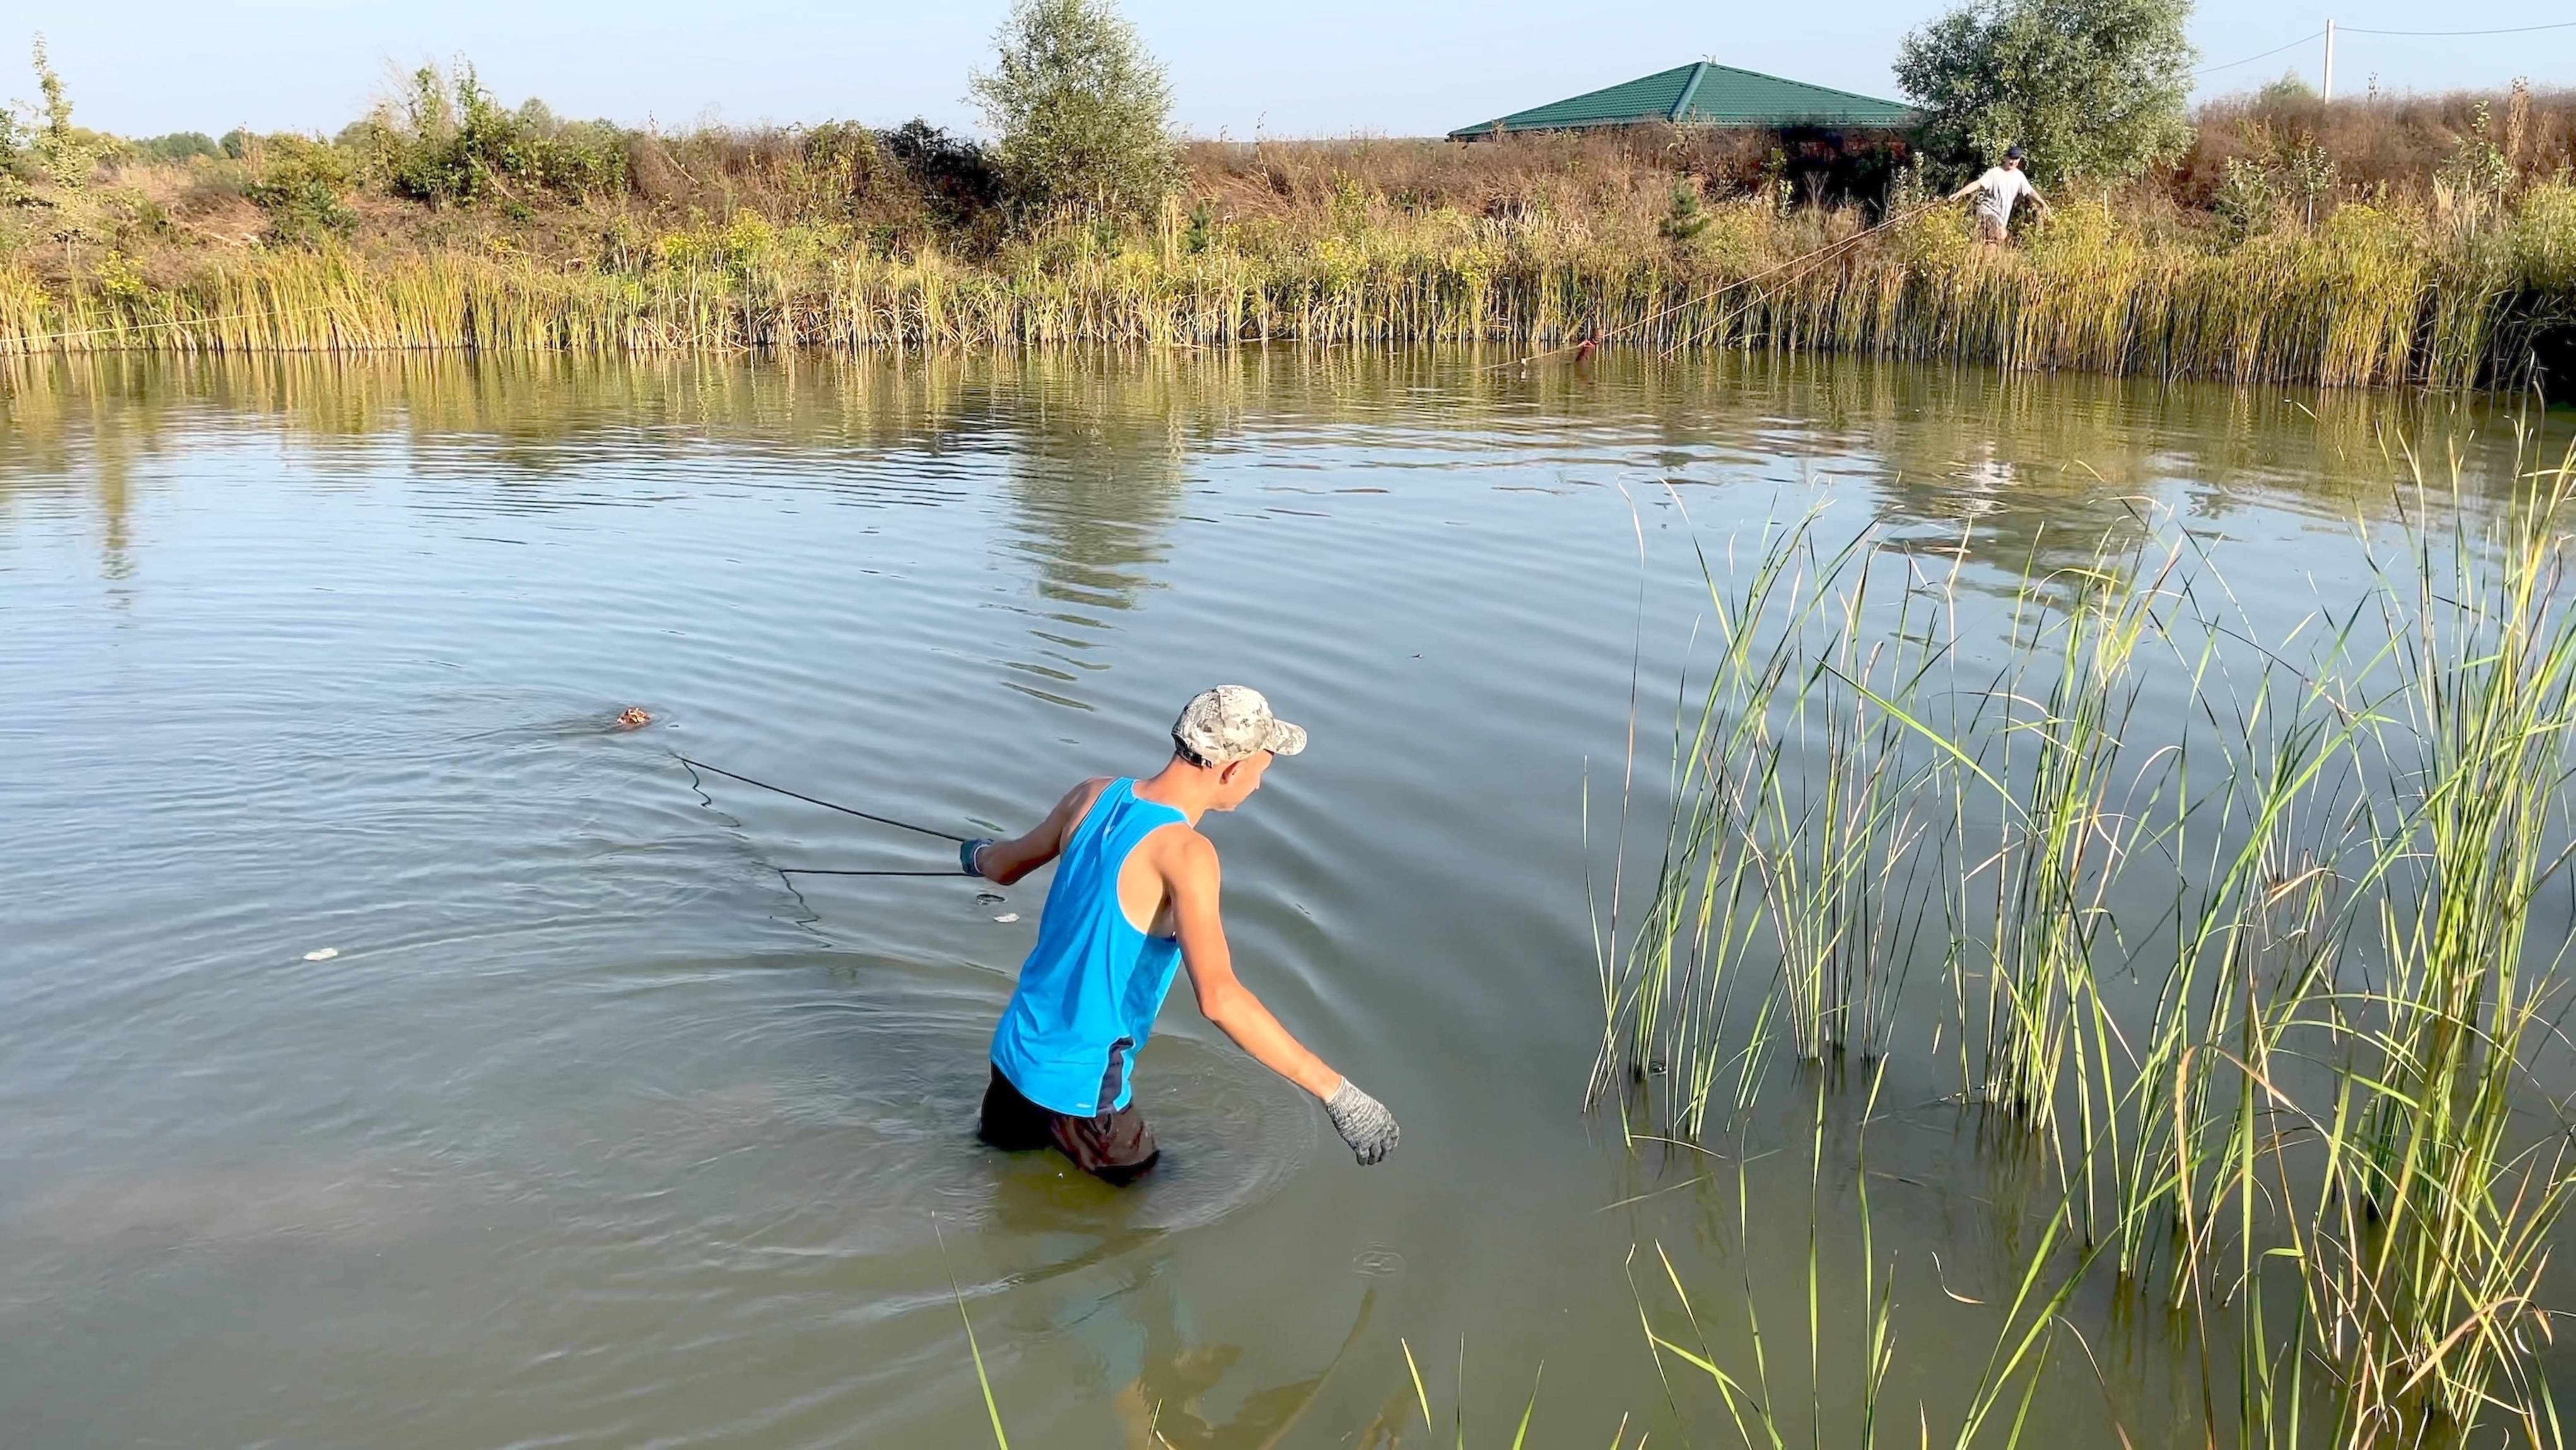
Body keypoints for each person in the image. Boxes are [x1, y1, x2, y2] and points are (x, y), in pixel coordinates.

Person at [961, 685, 1400, 1185]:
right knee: (1147, 1220)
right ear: (1232, 769)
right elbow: (1220, 1000)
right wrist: (1338, 1092)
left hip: (1013, 1058)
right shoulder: (1188, 854)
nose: (1257, 786)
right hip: (1083, 1089)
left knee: (998, 1181)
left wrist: (974, 855)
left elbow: (1000, 866)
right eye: (1262, 770)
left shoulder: (1093, 794)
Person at [1949, 146, 2048, 244]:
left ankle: (1983, 260)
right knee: (2001, 234)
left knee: (1993, 244)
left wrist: (2042, 203)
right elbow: (1978, 184)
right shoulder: (1994, 173)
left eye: (2016, 159)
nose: (2013, 162)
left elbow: (2030, 192)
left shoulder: (2019, 177)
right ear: (2005, 158)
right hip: (1988, 212)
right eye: (2011, 159)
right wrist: (1960, 193)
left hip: (2002, 218)